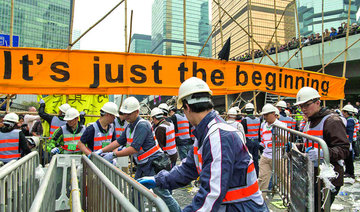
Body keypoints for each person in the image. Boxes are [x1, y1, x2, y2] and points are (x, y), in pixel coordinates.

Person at [138, 77, 268, 211]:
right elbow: (189, 168)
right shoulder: (205, 134)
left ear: (187, 107)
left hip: (244, 208)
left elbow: (212, 193)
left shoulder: (218, 136)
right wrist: (159, 180)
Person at [96, 97, 182, 212]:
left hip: (153, 164)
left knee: (162, 194)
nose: (126, 117)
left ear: (137, 112)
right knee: (135, 190)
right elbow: (118, 141)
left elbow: (134, 149)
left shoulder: (142, 125)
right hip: (143, 165)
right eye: (125, 114)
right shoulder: (130, 126)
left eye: (129, 114)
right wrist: (102, 151)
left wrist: (114, 155)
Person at [294, 87, 349, 207]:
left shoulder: (332, 121)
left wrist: (323, 153)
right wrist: (297, 147)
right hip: (313, 175)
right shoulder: (310, 121)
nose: (303, 109)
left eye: (306, 105)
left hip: (329, 178)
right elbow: (310, 145)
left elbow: (344, 149)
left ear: (317, 102)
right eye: (300, 106)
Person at [258, 104, 287, 199]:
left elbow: (286, 140)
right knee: (262, 178)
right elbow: (263, 139)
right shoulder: (263, 125)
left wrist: (278, 133)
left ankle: (291, 199)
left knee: (285, 179)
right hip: (266, 156)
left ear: (274, 114)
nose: (265, 117)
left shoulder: (281, 125)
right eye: (264, 115)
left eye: (267, 114)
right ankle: (261, 200)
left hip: (278, 156)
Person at [241, 102, 261, 176]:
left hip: (249, 141)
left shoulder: (244, 120)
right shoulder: (258, 120)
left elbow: (243, 131)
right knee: (256, 158)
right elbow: (259, 131)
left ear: (246, 111)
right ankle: (256, 173)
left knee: (248, 158)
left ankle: (249, 174)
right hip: (256, 140)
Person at [341, 104, 356, 178]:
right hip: (348, 141)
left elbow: (348, 131)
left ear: (346, 112)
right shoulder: (350, 120)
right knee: (347, 158)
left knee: (348, 158)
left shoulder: (350, 121)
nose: (342, 113)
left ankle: (350, 172)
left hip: (348, 142)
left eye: (343, 112)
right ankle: (348, 171)